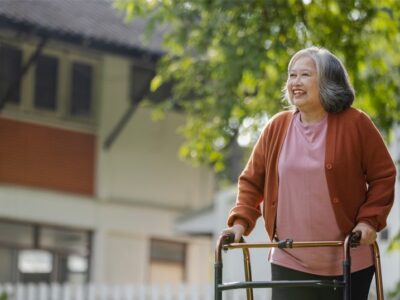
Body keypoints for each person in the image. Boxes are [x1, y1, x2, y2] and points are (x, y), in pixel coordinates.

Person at [221, 46, 396, 300]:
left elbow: (383, 175)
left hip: (348, 256)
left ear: (327, 81)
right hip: (289, 258)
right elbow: (251, 181)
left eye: (305, 75)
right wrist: (239, 224)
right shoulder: (276, 127)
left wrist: (369, 221)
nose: (295, 82)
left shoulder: (356, 124)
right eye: (292, 75)